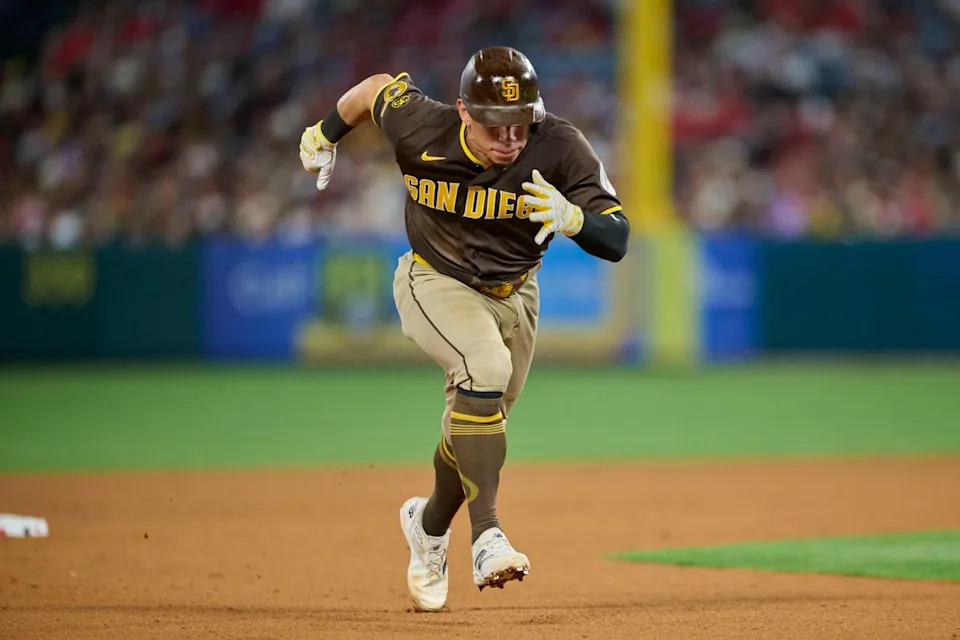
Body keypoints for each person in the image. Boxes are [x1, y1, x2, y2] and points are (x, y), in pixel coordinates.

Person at [299, 46, 629, 611]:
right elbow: (374, 88)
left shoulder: (559, 144)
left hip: (516, 294)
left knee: (480, 419)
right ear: (463, 111)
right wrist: (325, 132)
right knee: (485, 371)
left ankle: (427, 526)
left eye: (520, 122)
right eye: (495, 125)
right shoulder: (421, 123)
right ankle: (486, 536)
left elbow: (618, 238)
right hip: (435, 280)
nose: (510, 138)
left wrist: (576, 219)